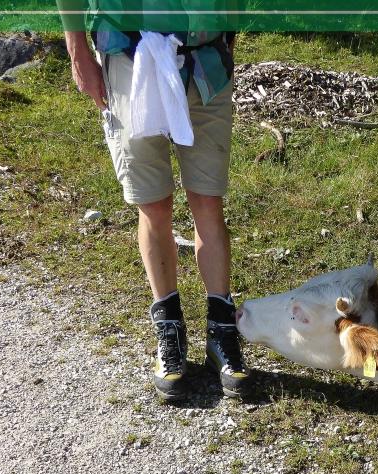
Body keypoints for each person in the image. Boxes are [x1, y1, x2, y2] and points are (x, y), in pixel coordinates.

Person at [60, 5, 250, 402]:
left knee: (207, 201)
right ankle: (169, 330)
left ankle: (221, 331)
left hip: (206, 62)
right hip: (130, 58)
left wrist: (229, 31)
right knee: (154, 204)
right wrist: (78, 51)